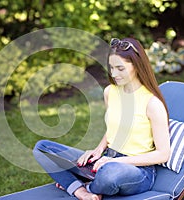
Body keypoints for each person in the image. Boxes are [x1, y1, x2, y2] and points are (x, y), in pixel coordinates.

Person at [33, 37, 171, 200]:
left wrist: (116, 163)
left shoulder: (152, 103)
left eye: (120, 68)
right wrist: (98, 150)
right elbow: (114, 128)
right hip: (106, 158)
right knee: (42, 148)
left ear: (137, 65)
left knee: (109, 174)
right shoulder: (110, 92)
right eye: (111, 67)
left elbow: (163, 154)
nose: (114, 74)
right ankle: (81, 191)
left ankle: (84, 185)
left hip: (137, 171)